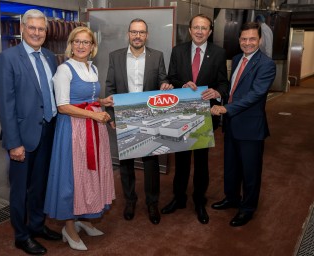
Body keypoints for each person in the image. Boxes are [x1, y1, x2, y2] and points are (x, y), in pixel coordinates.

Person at [0, 9, 61, 255]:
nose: (36, 32)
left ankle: (36, 225)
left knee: (40, 185)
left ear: (46, 31)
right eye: (31, 28)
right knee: (20, 190)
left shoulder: (50, 57)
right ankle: (21, 236)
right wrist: (14, 143)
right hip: (23, 137)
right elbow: (6, 105)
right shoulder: (8, 58)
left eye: (41, 28)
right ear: (22, 29)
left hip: (48, 132)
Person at [44, 26, 115, 251]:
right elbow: (63, 106)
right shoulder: (64, 70)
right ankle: (69, 228)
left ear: (92, 47)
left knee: (90, 175)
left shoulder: (90, 67)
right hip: (73, 130)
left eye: (86, 42)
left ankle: (83, 219)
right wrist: (94, 114)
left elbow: (86, 98)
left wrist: (102, 102)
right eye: (77, 42)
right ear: (71, 45)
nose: (81, 46)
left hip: (92, 128)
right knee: (73, 178)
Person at [161, 14, 229, 225]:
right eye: (196, 27)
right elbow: (171, 78)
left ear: (210, 32)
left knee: (201, 163)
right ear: (189, 30)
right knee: (180, 162)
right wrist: (179, 86)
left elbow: (223, 84)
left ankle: (199, 200)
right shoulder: (177, 51)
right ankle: (179, 198)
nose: (200, 31)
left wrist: (215, 92)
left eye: (204, 28)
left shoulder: (219, 53)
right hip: (181, 114)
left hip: (205, 117)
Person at [105, 18, 173, 225]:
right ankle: (130, 200)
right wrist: (113, 115)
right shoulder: (115, 56)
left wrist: (165, 85)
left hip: (149, 117)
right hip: (125, 116)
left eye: (141, 32)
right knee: (126, 164)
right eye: (134, 32)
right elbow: (110, 88)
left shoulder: (157, 56)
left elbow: (163, 79)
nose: (137, 36)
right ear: (128, 34)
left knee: (151, 164)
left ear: (147, 35)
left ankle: (152, 203)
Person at [210, 22, 276, 227]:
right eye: (244, 39)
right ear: (239, 40)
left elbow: (255, 94)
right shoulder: (238, 59)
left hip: (250, 128)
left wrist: (226, 109)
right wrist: (219, 96)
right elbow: (234, 90)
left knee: (250, 172)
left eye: (252, 39)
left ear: (260, 40)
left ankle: (247, 209)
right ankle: (231, 198)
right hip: (232, 125)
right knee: (230, 167)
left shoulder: (266, 64)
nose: (247, 43)